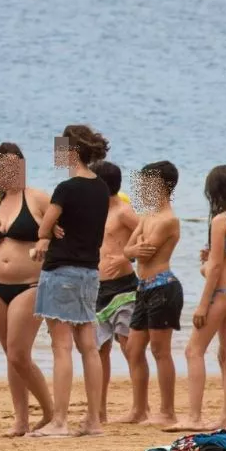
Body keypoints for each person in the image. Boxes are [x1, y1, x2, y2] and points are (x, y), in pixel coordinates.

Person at [29, 124, 111, 438]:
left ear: (71, 152)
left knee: (61, 346)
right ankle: (93, 420)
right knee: (88, 346)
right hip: (90, 270)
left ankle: (60, 420)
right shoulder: (102, 188)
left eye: (60, 147)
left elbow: (43, 227)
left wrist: (47, 231)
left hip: (62, 270)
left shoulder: (66, 188)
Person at [167, 165, 226, 432]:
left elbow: (215, 268)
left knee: (194, 350)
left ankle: (194, 417)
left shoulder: (219, 221)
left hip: (223, 293)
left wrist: (203, 304)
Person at [0, 143, 54, 436]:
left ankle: (49, 412)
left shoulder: (37, 199)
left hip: (30, 284)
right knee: (9, 354)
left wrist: (44, 243)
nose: (10, 171)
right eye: (3, 166)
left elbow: (65, 233)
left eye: (16, 164)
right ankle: (20, 420)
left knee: (18, 354)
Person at [123, 161, 182, 428]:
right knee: (134, 349)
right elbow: (129, 250)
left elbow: (147, 248)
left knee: (160, 350)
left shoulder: (169, 219)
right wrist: (132, 250)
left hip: (163, 286)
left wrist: (133, 249)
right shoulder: (146, 216)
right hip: (143, 287)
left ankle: (167, 411)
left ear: (161, 185)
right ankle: (139, 409)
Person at [90, 160, 145, 423]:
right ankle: (100, 409)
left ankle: (139, 409)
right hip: (97, 288)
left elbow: (148, 236)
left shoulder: (123, 212)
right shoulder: (93, 210)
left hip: (123, 287)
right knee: (99, 349)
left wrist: (126, 257)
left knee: (129, 347)